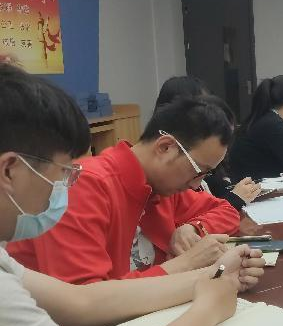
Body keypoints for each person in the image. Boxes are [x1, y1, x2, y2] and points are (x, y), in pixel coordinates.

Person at [0, 64, 265, 326]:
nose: (64, 188)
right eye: (61, 173)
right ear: (10, 170)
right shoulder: (95, 187)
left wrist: (214, 276)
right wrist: (207, 304)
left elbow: (81, 301)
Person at [8, 96, 242, 283]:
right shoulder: (86, 185)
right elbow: (86, 301)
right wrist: (187, 266)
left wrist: (193, 228)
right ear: (165, 147)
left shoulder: (162, 187)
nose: (196, 184)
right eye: (198, 170)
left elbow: (227, 211)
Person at [155, 76, 261, 210]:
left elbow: (215, 186)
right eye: (202, 106)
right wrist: (235, 198)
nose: (211, 112)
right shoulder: (170, 163)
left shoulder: (207, 146)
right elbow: (196, 212)